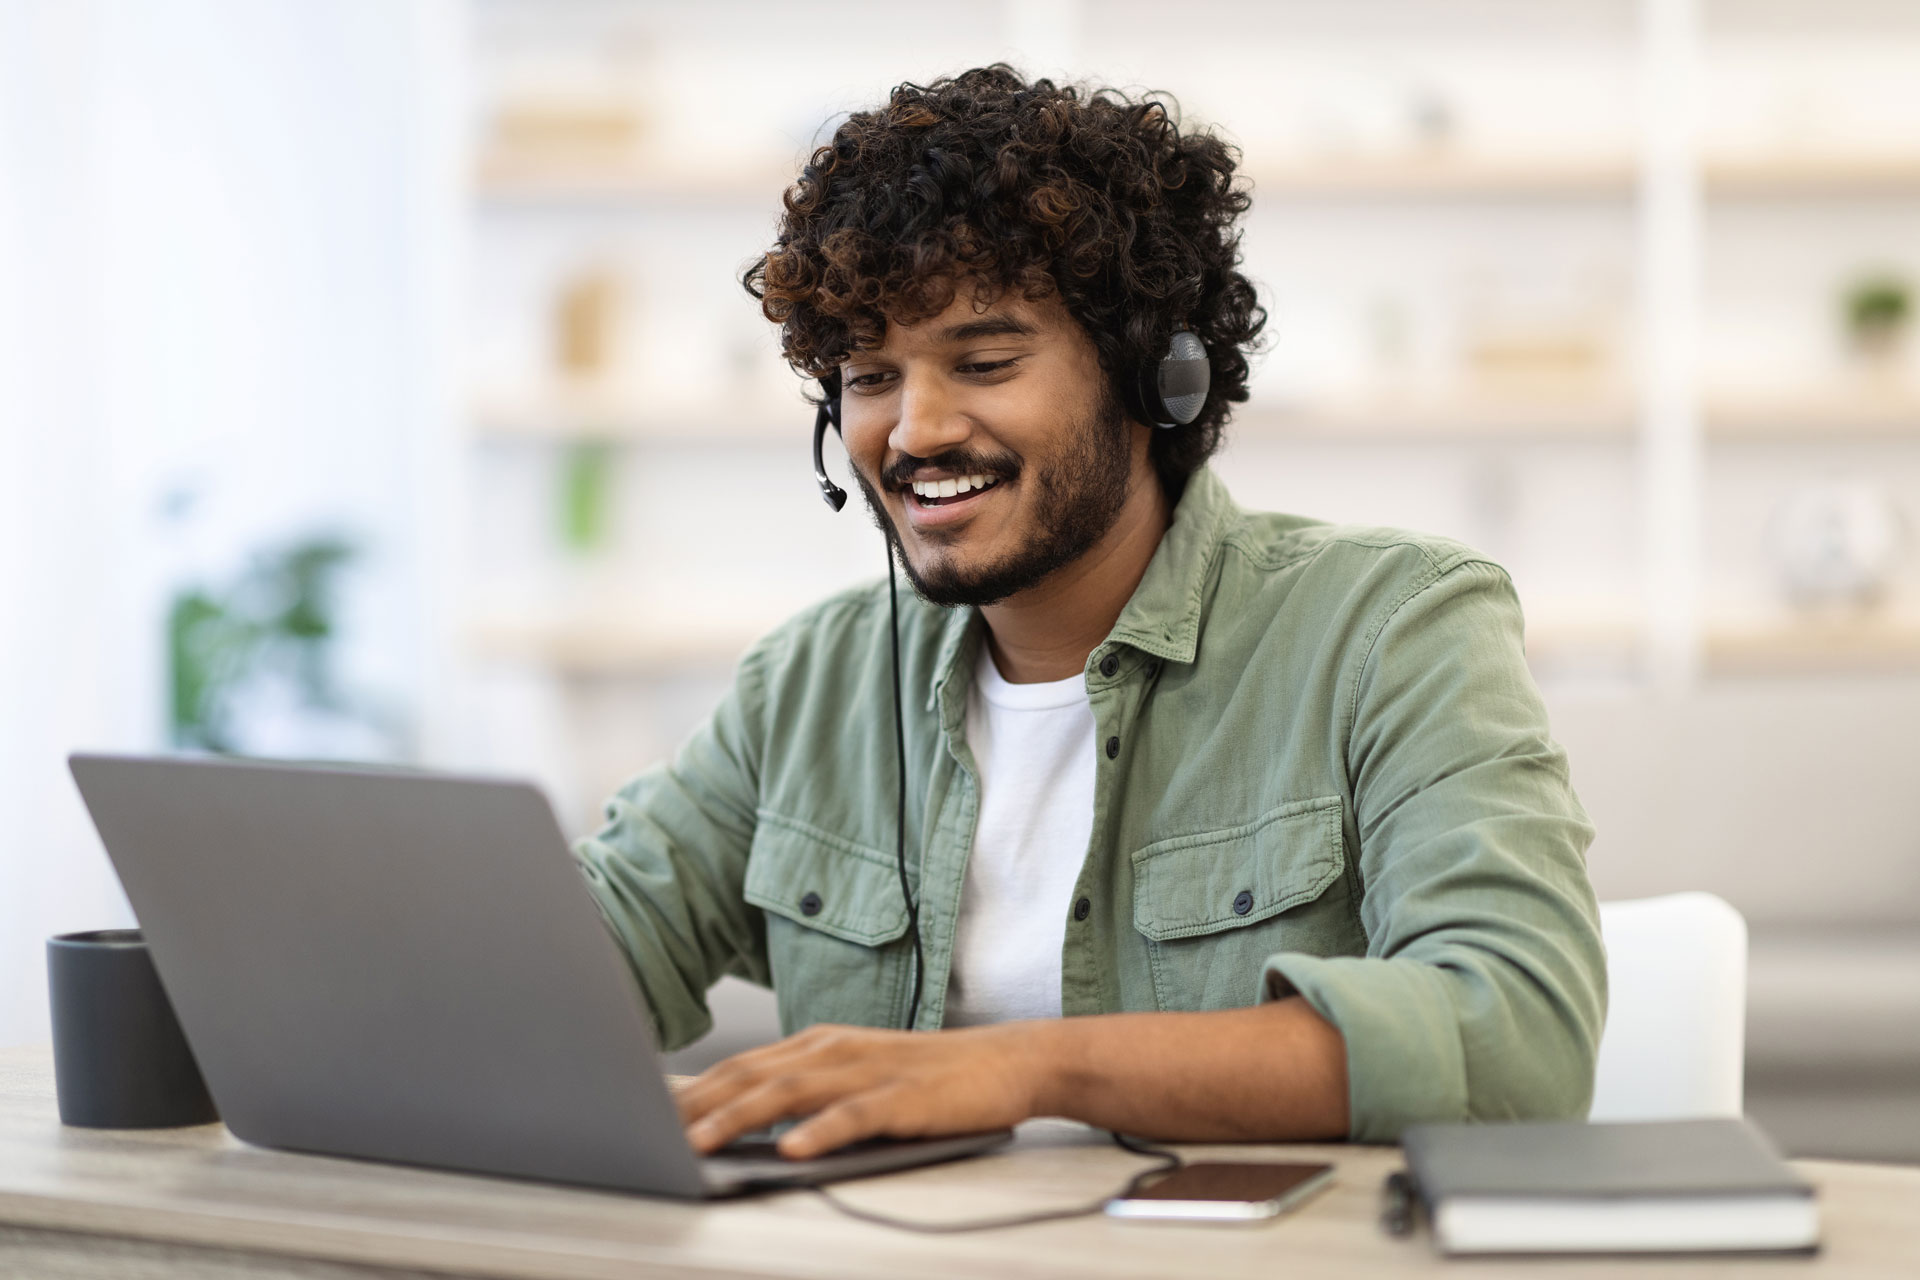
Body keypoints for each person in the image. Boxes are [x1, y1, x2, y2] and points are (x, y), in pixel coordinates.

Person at [574, 65, 1606, 1162]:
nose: (912, 429)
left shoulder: (1391, 630)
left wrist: (1020, 1067)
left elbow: (1517, 1038)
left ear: (1157, 377)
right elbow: (576, 954)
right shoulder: (810, 683)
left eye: (983, 360)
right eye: (869, 375)